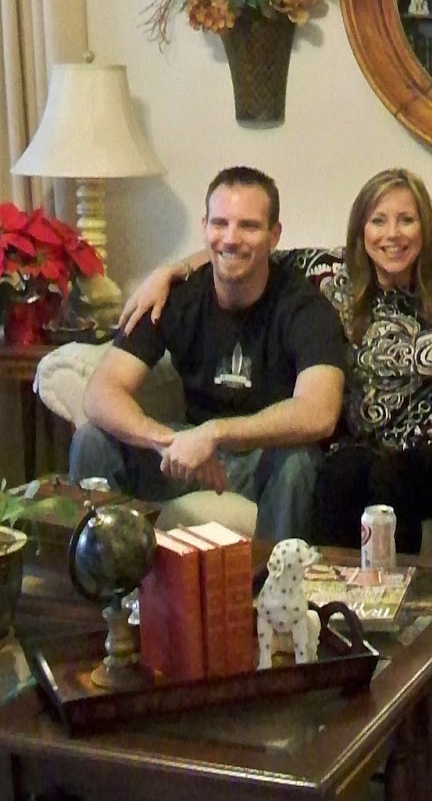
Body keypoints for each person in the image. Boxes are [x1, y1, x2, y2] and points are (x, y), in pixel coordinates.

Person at [119, 167, 432, 554]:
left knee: (388, 481)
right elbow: (241, 250)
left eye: (406, 220)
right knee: (338, 476)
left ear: (424, 227)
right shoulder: (326, 273)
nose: (393, 234)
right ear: (361, 228)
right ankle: (329, 609)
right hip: (351, 445)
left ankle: (399, 611)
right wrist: (169, 270)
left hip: (430, 451)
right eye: (378, 220)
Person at [70, 166, 347, 543]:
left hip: (263, 457)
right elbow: (101, 392)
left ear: (274, 235)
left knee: (299, 463)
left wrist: (214, 434)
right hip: (183, 453)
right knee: (92, 440)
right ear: (204, 228)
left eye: (249, 226)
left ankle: (277, 579)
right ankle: (105, 571)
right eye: (220, 223)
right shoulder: (174, 298)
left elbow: (319, 412)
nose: (230, 238)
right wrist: (166, 442)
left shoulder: (304, 307)